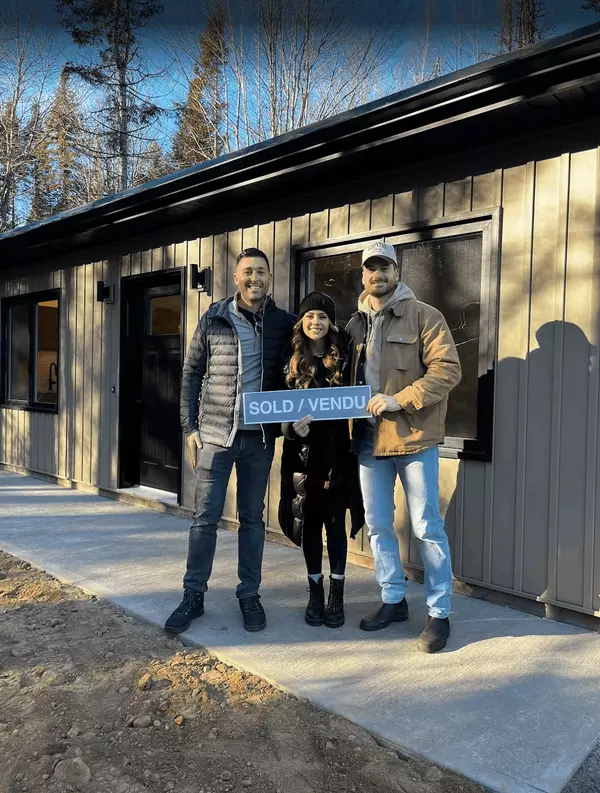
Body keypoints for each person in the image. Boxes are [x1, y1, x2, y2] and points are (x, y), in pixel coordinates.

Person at [165, 248, 295, 635]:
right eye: (248, 272)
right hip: (216, 436)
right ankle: (193, 595)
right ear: (237, 278)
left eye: (261, 272)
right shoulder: (215, 317)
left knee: (252, 520)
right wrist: (190, 428)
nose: (255, 278)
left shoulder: (283, 323)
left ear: (269, 278)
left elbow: (302, 369)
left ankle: (249, 594)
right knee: (204, 519)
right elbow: (191, 373)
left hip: (260, 440)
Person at [346, 240, 461, 653]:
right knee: (378, 525)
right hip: (367, 440)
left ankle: (439, 612)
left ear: (397, 272)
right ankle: (393, 599)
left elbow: (447, 370)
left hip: (413, 438)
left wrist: (400, 399)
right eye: (370, 268)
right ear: (363, 275)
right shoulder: (353, 325)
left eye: (385, 267)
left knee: (427, 527)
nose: (377, 274)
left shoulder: (425, 315)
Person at [278, 292, 364, 628]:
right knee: (310, 524)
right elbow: (275, 409)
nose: (316, 322)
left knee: (335, 523)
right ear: (301, 321)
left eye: (323, 316)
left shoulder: (343, 358)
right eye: (310, 316)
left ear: (331, 323)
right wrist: (290, 428)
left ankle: (336, 595)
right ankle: (315, 592)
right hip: (302, 458)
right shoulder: (289, 360)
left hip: (338, 456)